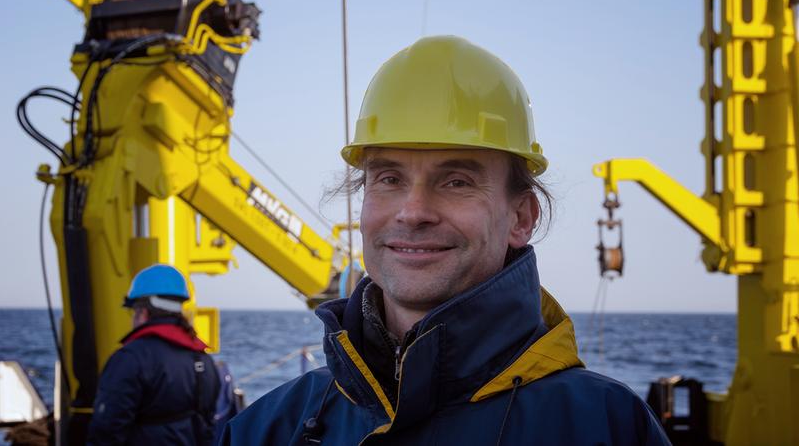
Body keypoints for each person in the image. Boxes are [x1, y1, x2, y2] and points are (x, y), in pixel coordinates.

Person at [223, 36, 670, 444]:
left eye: (456, 182)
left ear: (521, 217)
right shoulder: (267, 428)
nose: (413, 212)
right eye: (389, 178)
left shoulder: (607, 428)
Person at [88, 264, 220, 445]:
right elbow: (208, 422)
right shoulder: (204, 359)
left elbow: (107, 430)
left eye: (132, 312)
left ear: (142, 313)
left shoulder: (130, 359)